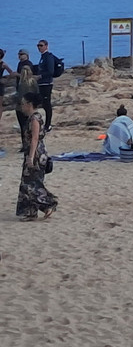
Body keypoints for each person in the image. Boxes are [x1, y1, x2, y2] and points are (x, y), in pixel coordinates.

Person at [16, 91, 57, 221]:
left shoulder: (34, 119)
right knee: (28, 183)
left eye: (23, 104)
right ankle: (31, 212)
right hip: (35, 152)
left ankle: (48, 204)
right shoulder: (35, 117)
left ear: (29, 104)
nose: (21, 106)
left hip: (36, 154)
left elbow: (34, 139)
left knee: (31, 183)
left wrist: (31, 157)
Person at [36, 39, 58, 132]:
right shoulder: (42, 57)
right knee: (43, 103)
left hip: (47, 83)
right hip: (41, 83)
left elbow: (50, 71)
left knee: (47, 103)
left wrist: (40, 76)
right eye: (38, 46)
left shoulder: (48, 57)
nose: (39, 47)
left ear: (46, 46)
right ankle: (44, 123)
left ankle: (48, 125)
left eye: (41, 45)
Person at [15, 65, 38, 152]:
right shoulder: (34, 82)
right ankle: (31, 144)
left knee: (23, 127)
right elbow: (37, 93)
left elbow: (20, 96)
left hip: (21, 108)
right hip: (32, 107)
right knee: (31, 127)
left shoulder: (22, 84)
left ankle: (25, 145)